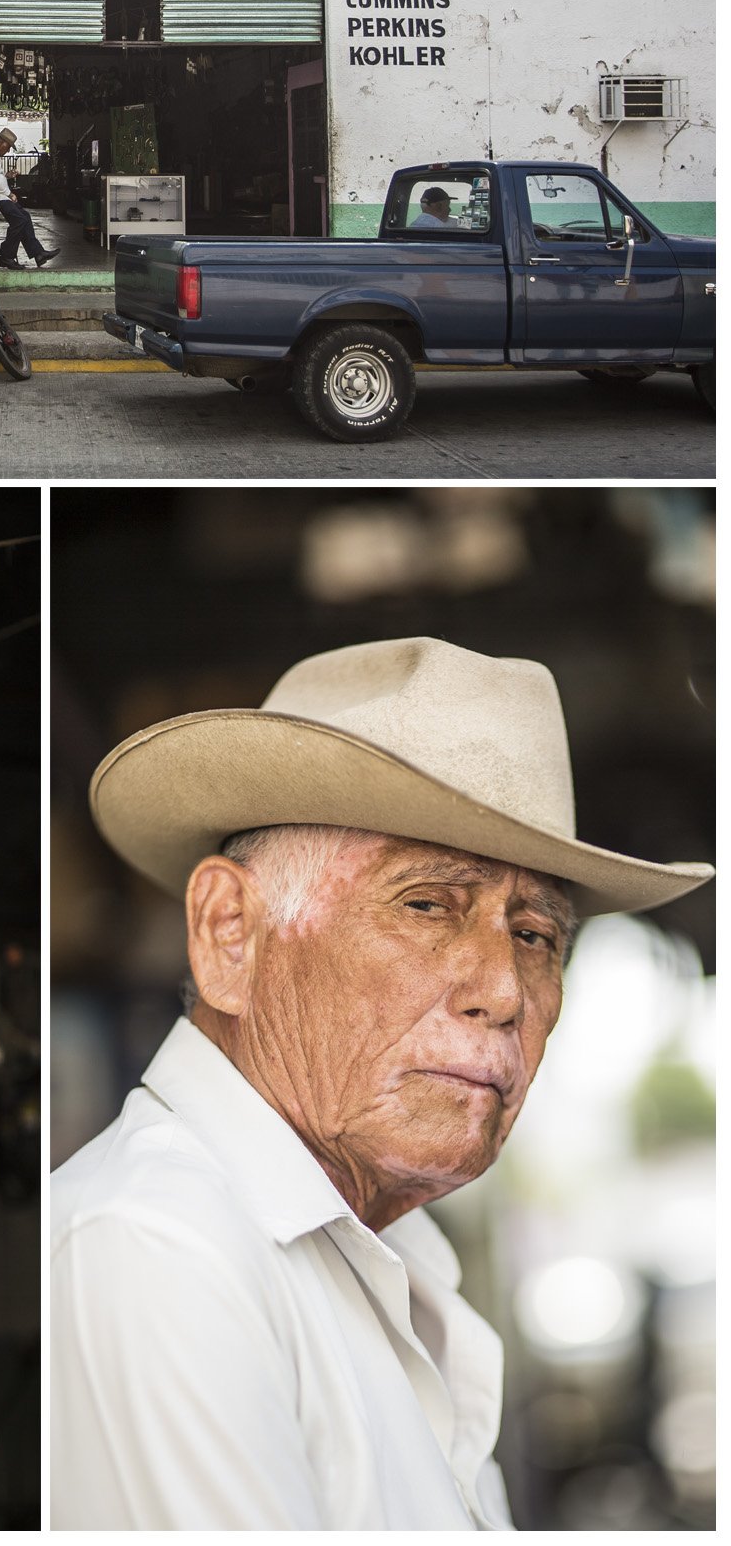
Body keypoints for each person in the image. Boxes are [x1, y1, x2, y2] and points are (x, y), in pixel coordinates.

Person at [50, 636, 713, 1530]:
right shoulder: (154, 1243)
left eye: (535, 935)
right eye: (428, 905)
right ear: (230, 933)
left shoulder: (382, 1265)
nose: (504, 991)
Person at [0, 126, 60, 269]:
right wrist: (9, 194)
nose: (7, 152)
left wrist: (6, 175)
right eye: (7, 148)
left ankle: (38, 254)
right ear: (1, 143)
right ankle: (6, 257)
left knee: (24, 216)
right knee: (19, 220)